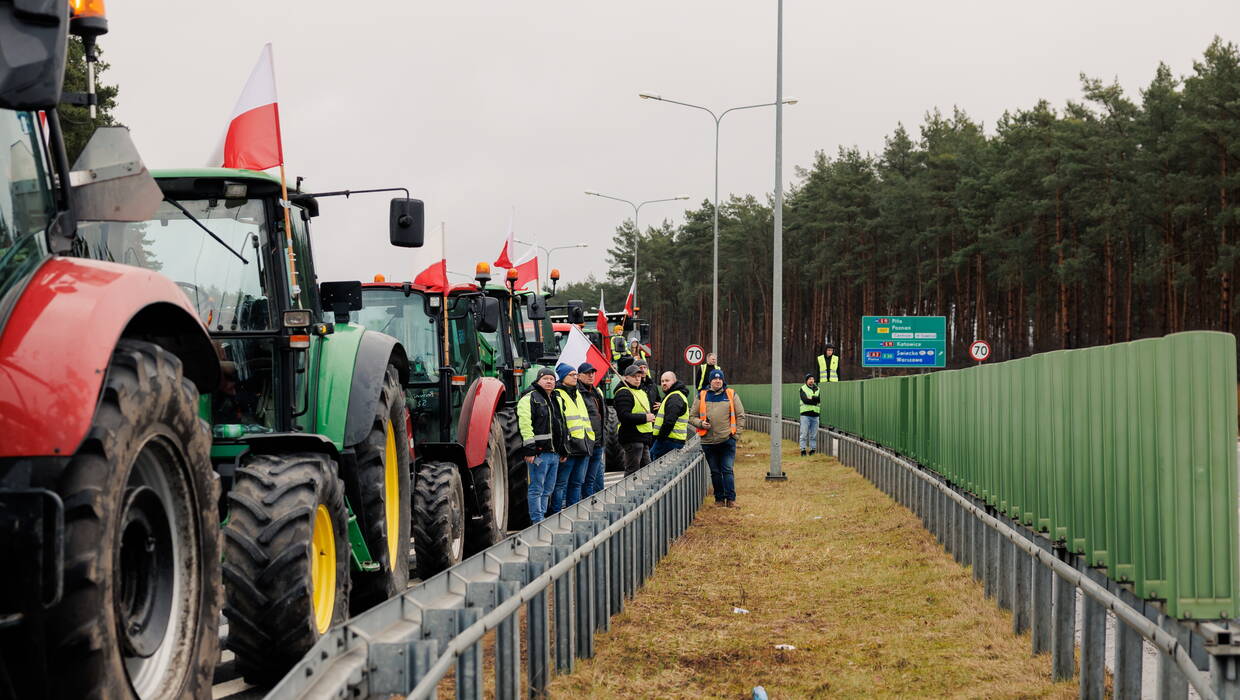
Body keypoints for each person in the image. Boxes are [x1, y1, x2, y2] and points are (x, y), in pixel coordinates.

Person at [688, 369, 745, 507]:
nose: (718, 381)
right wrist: (701, 424)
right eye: (715, 379)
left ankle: (731, 500)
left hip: (727, 440)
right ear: (710, 381)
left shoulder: (731, 394)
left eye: (720, 379)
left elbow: (740, 415)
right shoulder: (701, 395)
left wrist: (736, 435)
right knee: (715, 472)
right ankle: (719, 500)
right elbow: (691, 417)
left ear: (723, 380)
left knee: (727, 469)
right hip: (708, 441)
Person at [517, 368, 567, 523]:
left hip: (554, 454)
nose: (549, 381)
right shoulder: (529, 398)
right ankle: (537, 521)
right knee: (536, 489)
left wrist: (563, 449)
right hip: (539, 454)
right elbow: (525, 425)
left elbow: (562, 426)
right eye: (545, 378)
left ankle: (542, 517)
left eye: (552, 379)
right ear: (538, 380)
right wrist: (530, 450)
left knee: (548, 490)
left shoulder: (556, 399)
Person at [548, 364, 594, 514]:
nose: (575, 377)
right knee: (561, 483)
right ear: (562, 377)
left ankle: (572, 513)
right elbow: (559, 423)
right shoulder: (558, 395)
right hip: (569, 447)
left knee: (577, 483)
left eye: (575, 374)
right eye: (571, 375)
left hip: (583, 445)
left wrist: (590, 441)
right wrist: (563, 447)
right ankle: (555, 514)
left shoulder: (578, 393)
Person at [614, 364, 655, 474]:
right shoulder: (624, 392)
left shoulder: (641, 392)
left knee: (646, 471)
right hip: (632, 437)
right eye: (634, 376)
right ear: (626, 377)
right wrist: (645, 418)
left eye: (639, 376)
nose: (637, 379)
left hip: (643, 437)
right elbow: (624, 416)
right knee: (633, 471)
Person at [577, 363, 608, 497]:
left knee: (592, 479)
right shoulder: (578, 393)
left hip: (598, 442)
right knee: (581, 480)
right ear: (579, 376)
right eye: (587, 373)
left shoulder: (596, 391)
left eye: (592, 373)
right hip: (586, 444)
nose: (591, 375)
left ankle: (592, 504)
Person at [650, 371, 690, 460]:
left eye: (667, 380)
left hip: (669, 441)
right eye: (662, 381)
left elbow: (669, 422)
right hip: (671, 441)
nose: (664, 383)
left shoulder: (675, 397)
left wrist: (659, 440)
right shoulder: (673, 396)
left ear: (674, 381)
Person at [798, 373, 820, 456]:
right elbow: (805, 400)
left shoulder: (818, 389)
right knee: (804, 433)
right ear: (806, 381)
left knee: (813, 435)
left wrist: (812, 398)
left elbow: (819, 400)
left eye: (812, 379)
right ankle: (803, 450)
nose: (811, 380)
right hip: (805, 415)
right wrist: (815, 399)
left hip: (815, 415)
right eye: (809, 379)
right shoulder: (802, 389)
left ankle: (812, 450)